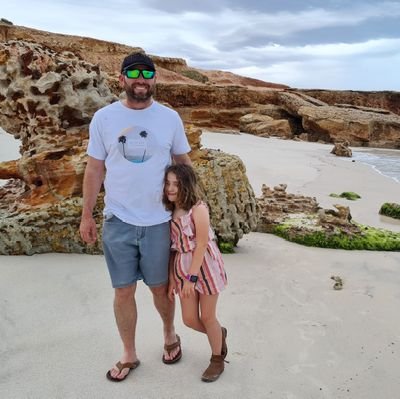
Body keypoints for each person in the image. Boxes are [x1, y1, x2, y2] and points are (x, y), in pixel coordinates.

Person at [79, 52, 192, 382]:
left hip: (158, 222)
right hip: (118, 221)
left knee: (160, 288)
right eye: (134, 73)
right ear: (122, 79)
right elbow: (95, 168)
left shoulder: (169, 118)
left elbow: (182, 162)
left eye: (147, 73)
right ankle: (129, 353)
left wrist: (194, 206)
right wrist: (87, 215)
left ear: (155, 79)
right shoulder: (104, 118)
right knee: (123, 291)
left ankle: (169, 333)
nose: (141, 79)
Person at [163, 164, 228, 382]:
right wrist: (173, 279)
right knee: (190, 319)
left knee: (208, 316)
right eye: (168, 183)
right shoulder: (169, 211)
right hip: (182, 268)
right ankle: (219, 333)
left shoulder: (197, 208)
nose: (171, 189)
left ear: (187, 186)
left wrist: (192, 277)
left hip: (205, 266)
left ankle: (217, 359)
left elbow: (201, 244)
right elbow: (172, 250)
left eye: (177, 184)